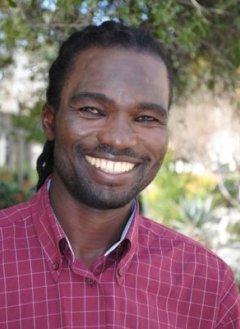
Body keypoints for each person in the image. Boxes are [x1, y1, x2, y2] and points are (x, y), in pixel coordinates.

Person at [0, 21, 239, 329]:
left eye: (145, 118)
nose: (118, 139)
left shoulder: (207, 286)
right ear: (50, 120)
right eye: (92, 110)